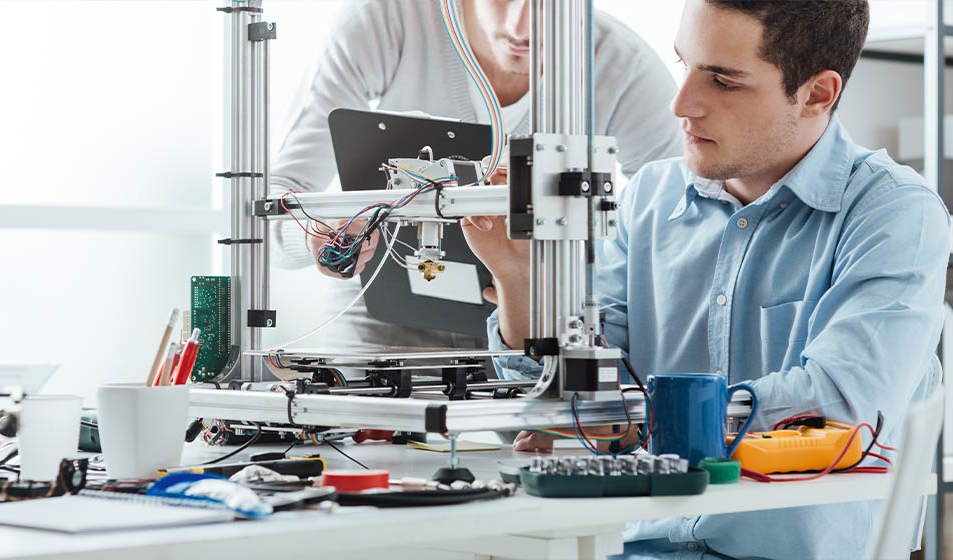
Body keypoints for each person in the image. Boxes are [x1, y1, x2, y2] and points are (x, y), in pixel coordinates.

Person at [464, 0, 951, 558]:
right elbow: (571, 397)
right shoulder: (650, 197)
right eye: (685, 64)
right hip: (636, 546)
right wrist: (518, 280)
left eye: (723, 80)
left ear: (817, 93)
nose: (681, 104)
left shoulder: (893, 211)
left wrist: (631, 422)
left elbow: (839, 402)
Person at [270, 0, 681, 351]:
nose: (520, 28)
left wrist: (571, 288)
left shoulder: (623, 66)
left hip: (532, 320)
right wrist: (318, 234)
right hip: (377, 317)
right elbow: (270, 205)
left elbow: (676, 226)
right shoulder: (385, 19)